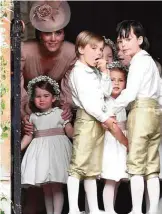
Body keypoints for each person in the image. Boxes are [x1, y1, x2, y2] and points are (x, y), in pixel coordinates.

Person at [67, 30, 128, 214]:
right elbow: (89, 103)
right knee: (78, 167)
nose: (99, 53)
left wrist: (104, 71)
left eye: (101, 49)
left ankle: (93, 209)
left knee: (92, 168)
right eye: (93, 48)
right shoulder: (78, 72)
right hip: (87, 120)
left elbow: (107, 91)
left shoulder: (94, 71)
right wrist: (106, 119)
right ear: (80, 49)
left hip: (98, 122)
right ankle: (73, 209)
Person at [107, 20, 162, 214]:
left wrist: (110, 109)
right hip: (156, 114)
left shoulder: (139, 61)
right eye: (120, 40)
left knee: (136, 164)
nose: (122, 44)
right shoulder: (151, 63)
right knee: (152, 167)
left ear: (140, 39)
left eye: (128, 39)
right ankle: (153, 210)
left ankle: (137, 210)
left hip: (141, 113)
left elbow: (130, 94)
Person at [21, 0, 76, 133]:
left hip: (54, 110)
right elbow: (17, 88)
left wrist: (66, 106)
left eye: (58, 33)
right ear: (40, 34)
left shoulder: (71, 52)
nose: (53, 39)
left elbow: (67, 88)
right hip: (26, 110)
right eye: (47, 33)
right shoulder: (24, 50)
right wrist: (23, 115)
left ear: (64, 35)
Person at [21, 76, 73, 214]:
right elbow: (28, 135)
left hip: (57, 152)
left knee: (56, 186)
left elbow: (69, 131)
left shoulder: (60, 114)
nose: (42, 99)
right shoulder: (32, 117)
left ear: (54, 98)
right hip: (41, 154)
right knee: (46, 187)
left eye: (46, 95)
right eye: (38, 96)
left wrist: (78, 132)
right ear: (33, 98)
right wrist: (18, 148)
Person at [101, 61, 128, 214]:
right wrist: (126, 142)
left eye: (121, 80)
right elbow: (111, 126)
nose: (116, 83)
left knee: (117, 180)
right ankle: (109, 210)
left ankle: (111, 209)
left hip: (121, 141)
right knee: (111, 179)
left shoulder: (123, 101)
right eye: (112, 80)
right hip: (113, 142)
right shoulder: (108, 102)